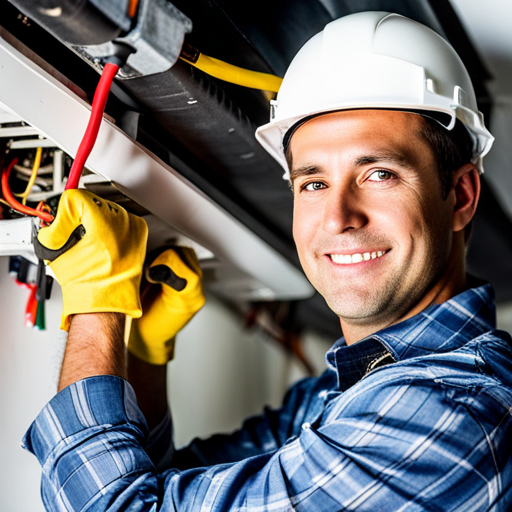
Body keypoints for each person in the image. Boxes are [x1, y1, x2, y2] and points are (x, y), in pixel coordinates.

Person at [23, 11, 512, 511]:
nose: (338, 218)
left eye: (379, 174)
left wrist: (98, 304)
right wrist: (143, 353)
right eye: (314, 183)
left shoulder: (447, 416)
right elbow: (172, 487)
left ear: (461, 195)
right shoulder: (344, 393)